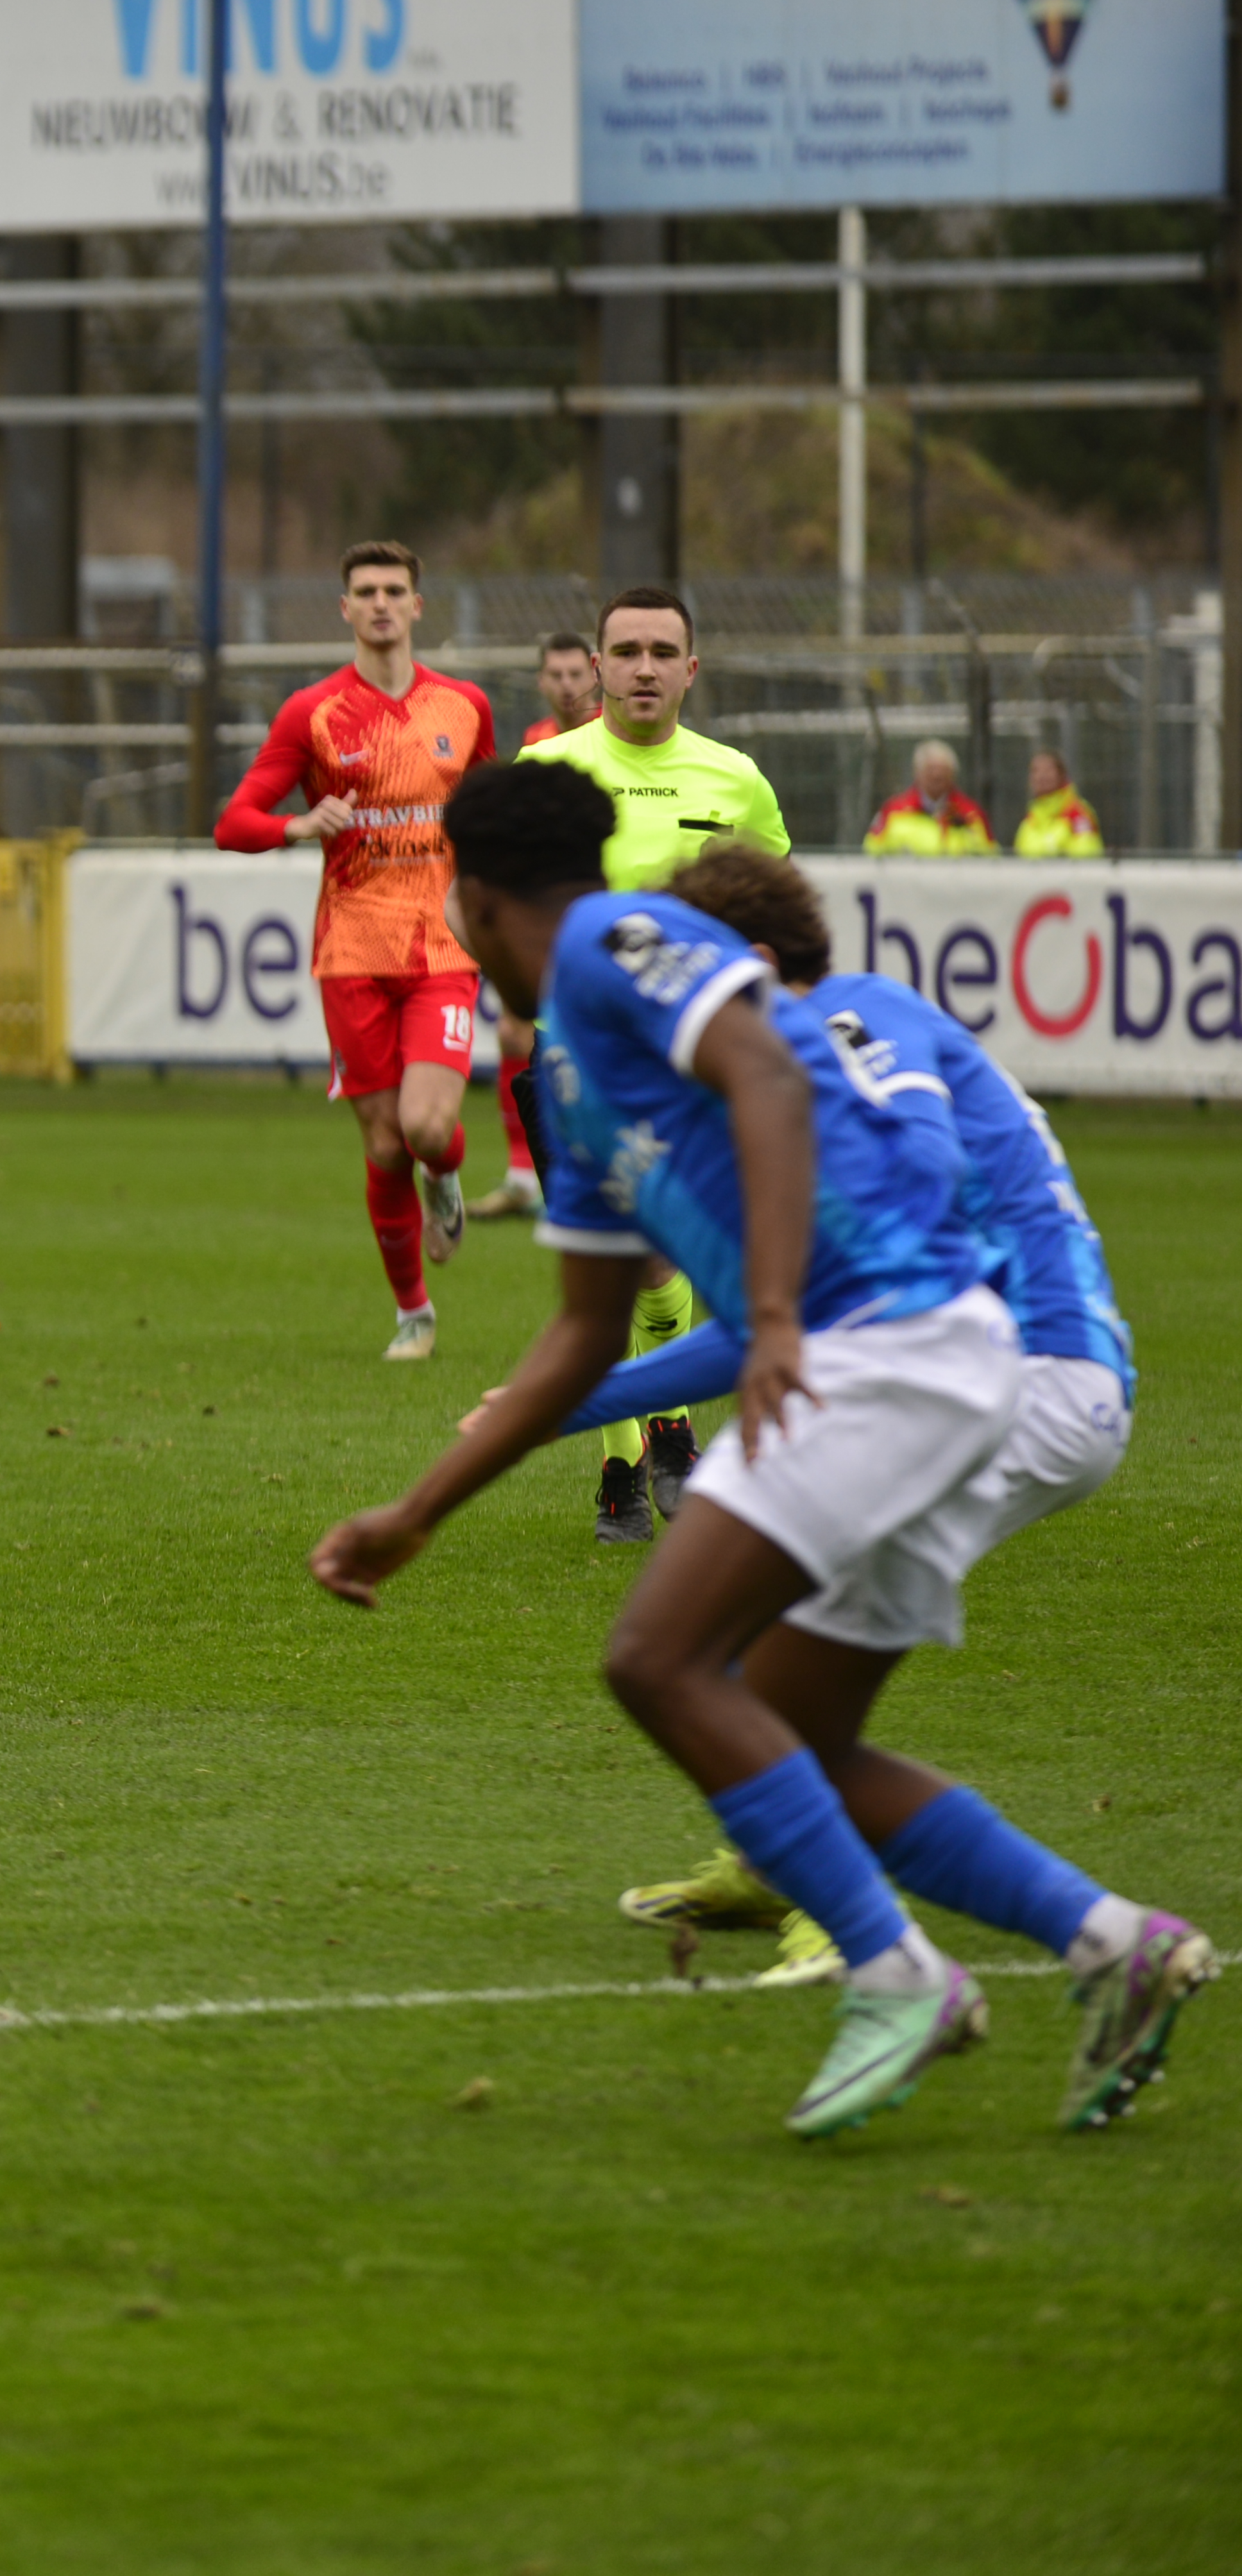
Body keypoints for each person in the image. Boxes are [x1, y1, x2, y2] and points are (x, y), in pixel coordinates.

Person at [313, 759, 1212, 2141]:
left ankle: (893, 1969)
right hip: (921, 1362)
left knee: (654, 1659)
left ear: (468, 897)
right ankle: (1109, 1942)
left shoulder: (618, 946)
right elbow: (577, 1336)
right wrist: (415, 1510)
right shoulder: (573, 1080)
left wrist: (779, 1314)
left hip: (892, 1350)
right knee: (792, 1732)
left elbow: (764, 1078)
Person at [579, 847, 1150, 2026]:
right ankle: (812, 1881)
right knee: (745, 1659)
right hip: (1020, 1379)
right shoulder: (810, 1057)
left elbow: (914, 1186)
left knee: (735, 1674)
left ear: (748, 968)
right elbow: (757, 1319)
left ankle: (844, 1927)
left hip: (1014, 1378)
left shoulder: (839, 1023)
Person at [520, 586, 791, 1538]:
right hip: (572, 1057)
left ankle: (659, 1437)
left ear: (691, 668)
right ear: (594, 667)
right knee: (606, 1263)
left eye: (660, 651)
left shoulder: (737, 781)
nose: (642, 667)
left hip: (685, 1061)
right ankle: (628, 1467)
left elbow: (773, 912)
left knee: (657, 1258)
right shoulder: (547, 771)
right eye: (625, 650)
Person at [215, 539, 500, 1363]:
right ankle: (413, 1310)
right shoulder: (311, 714)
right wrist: (298, 824)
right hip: (350, 949)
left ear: (418, 605)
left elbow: (486, 812)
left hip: (441, 943)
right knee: (382, 1143)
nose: (381, 603)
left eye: (395, 589)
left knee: (425, 1123)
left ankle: (444, 1172)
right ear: (344, 609)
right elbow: (234, 822)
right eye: (365, 591)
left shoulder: (465, 707)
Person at [478, 632, 607, 1217]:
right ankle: (524, 1173)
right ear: (541, 683)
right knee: (514, 1034)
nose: (566, 685)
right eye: (554, 675)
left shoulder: (619, 735)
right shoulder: (536, 743)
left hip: (600, 924)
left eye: (575, 674)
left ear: (595, 675)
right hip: (548, 921)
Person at [864, 740, 998, 855]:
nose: (937, 776)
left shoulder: (970, 813)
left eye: (943, 771)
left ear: (953, 774)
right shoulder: (894, 810)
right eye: (930, 770)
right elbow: (870, 851)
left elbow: (991, 857)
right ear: (917, 773)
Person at [1013, 748, 1106, 856]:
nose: (1041, 776)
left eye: (1048, 770)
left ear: (1061, 775)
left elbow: (1087, 857)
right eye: (1035, 771)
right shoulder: (1029, 821)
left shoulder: (1077, 814)